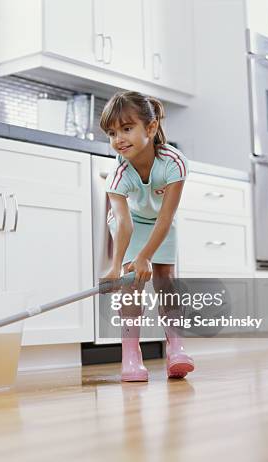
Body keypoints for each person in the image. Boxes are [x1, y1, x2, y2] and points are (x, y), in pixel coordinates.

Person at [101, 91, 194, 381]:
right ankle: (131, 355)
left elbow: (166, 218)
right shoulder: (118, 173)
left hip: (161, 222)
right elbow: (124, 223)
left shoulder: (173, 163)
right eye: (112, 133)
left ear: (151, 129)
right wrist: (118, 266)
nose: (119, 139)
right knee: (131, 285)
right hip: (131, 224)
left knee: (165, 279)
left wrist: (147, 257)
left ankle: (176, 347)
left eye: (127, 129)